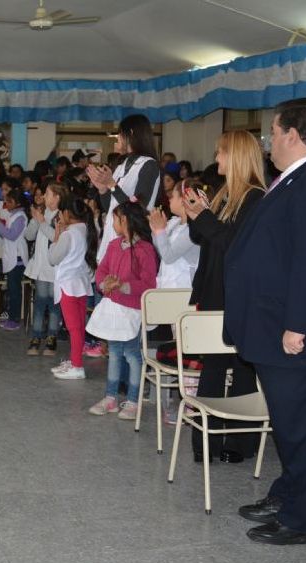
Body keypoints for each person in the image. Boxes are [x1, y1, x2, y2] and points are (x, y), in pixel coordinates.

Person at [224, 98, 306, 545]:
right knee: (288, 421)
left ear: (293, 134)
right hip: (269, 322)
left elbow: (305, 260)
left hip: (286, 329)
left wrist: (298, 324)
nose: (268, 141)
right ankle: (289, 493)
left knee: (296, 426)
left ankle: (301, 517)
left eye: (273, 132)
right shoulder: (289, 180)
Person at [184, 130, 266, 464]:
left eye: (221, 153)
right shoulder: (222, 194)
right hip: (214, 291)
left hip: (239, 296)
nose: (216, 158)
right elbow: (204, 239)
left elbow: (235, 245)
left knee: (242, 369)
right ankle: (205, 441)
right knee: (213, 368)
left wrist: (204, 217)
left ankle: (238, 442)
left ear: (237, 156)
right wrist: (197, 213)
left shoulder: (256, 198)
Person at [87, 202, 158, 419]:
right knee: (115, 353)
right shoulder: (114, 245)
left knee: (132, 354)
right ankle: (111, 398)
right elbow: (102, 271)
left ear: (125, 220)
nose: (113, 223)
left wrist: (123, 285)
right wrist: (104, 284)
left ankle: (133, 401)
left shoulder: (145, 249)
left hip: (132, 309)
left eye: (115, 219)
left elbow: (148, 283)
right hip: (114, 307)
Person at [86, 114, 162, 262]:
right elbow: (111, 207)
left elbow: (138, 208)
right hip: (113, 236)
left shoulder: (149, 165)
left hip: (134, 240)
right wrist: (103, 189)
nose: (117, 138)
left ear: (131, 134)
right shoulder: (122, 165)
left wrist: (112, 185)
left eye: (119, 134)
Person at [48, 195, 98, 380]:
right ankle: (74, 360)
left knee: (74, 328)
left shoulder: (68, 235)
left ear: (67, 213)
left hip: (68, 284)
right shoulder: (86, 229)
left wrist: (57, 235)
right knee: (79, 326)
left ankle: (77, 366)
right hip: (81, 284)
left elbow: (52, 258)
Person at [25, 181, 62, 356]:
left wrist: (41, 222)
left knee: (54, 304)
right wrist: (35, 219)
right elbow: (28, 235)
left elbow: (56, 238)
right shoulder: (43, 213)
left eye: (47, 193)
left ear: (57, 197)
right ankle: (36, 336)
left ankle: (52, 337)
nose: (43, 197)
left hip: (55, 268)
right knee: (40, 301)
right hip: (40, 266)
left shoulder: (62, 216)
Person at [0, 188, 28, 331]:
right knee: (12, 289)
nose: (6, 203)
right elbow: (6, 233)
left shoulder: (21, 216)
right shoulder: (13, 215)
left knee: (14, 290)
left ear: (17, 203)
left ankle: (14, 319)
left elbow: (11, 235)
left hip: (17, 259)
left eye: (9, 201)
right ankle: (12, 316)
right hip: (12, 257)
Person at [149, 179, 201, 290]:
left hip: (184, 288)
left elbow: (169, 256)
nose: (169, 199)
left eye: (173, 196)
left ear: (183, 200)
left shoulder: (193, 228)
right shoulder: (174, 223)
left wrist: (160, 231)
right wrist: (156, 231)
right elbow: (162, 253)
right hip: (168, 284)